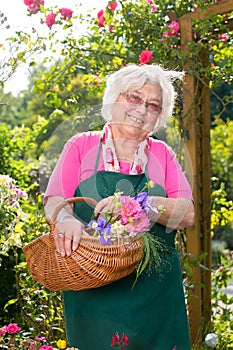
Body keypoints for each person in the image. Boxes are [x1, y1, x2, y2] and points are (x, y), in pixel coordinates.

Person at [44, 64, 194, 350]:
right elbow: (54, 201)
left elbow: (187, 213)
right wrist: (65, 219)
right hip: (93, 292)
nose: (141, 110)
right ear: (113, 99)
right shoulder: (80, 146)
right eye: (134, 98)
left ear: (158, 117)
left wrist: (142, 204)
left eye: (152, 105)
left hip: (156, 295)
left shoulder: (162, 153)